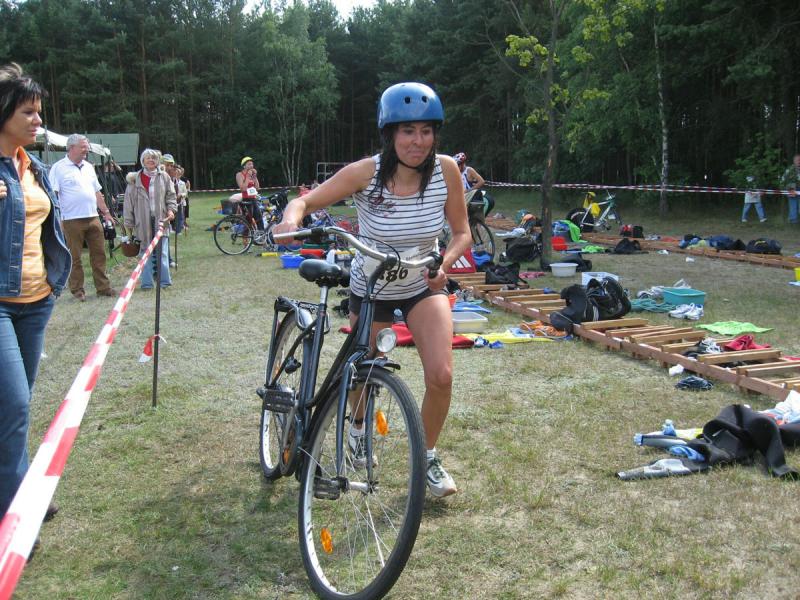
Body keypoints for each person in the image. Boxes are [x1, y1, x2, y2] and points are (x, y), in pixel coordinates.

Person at [273, 82, 471, 498]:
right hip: (373, 286)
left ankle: (427, 457)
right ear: (390, 134)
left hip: (422, 281)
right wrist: (291, 221)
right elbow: (305, 202)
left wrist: (446, 262)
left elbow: (462, 232)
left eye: (426, 131)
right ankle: (358, 430)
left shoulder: (446, 171)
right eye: (407, 131)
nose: (418, 141)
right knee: (364, 373)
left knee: (441, 375)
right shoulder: (367, 173)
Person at [0, 63, 71, 520]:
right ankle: (16, 511)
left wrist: (51, 286)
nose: (38, 120)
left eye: (39, 111)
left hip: (36, 301)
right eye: (28, 111)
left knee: (14, 406)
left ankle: (16, 485)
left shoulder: (35, 168)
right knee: (15, 405)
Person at [48, 134, 117, 300]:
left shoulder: (88, 167)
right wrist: (57, 219)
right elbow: (53, 195)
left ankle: (103, 288)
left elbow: (97, 192)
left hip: (93, 217)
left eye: (87, 146)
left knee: (99, 254)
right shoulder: (58, 168)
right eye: (83, 147)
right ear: (71, 148)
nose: (87, 150)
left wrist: (106, 213)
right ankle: (77, 290)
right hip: (71, 219)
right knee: (74, 257)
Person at [122, 149, 176, 289]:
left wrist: (171, 210)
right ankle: (146, 283)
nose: (151, 160)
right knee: (144, 253)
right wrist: (129, 222)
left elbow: (171, 196)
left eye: (154, 158)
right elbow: (128, 202)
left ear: (157, 161)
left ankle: (164, 281)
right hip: (142, 222)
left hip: (161, 220)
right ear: (143, 161)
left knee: (162, 253)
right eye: (148, 158)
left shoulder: (164, 177)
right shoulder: (134, 179)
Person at [454, 151, 492, 216]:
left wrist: (469, 190)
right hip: (462, 196)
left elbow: (481, 181)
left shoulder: (469, 170)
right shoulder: (456, 172)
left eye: (458, 165)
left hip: (470, 195)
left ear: (462, 164)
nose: (456, 167)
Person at [780, 153, 800, 224]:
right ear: (794, 161)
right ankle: (793, 220)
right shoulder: (789, 170)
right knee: (793, 205)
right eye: (797, 160)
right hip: (792, 189)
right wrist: (788, 190)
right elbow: (783, 180)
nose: (799, 161)